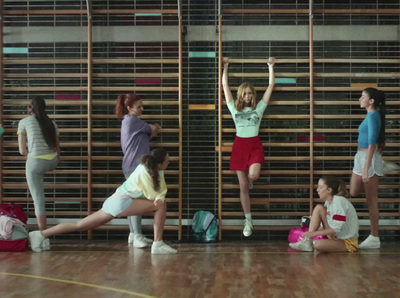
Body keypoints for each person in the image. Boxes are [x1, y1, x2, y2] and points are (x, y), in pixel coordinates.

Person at [29, 148, 177, 255]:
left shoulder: (156, 171)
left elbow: (160, 191)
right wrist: (159, 198)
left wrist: (159, 197)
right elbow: (154, 196)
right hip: (120, 202)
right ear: (159, 164)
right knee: (160, 206)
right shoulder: (144, 172)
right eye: (167, 161)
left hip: (114, 202)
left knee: (80, 225)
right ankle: (158, 243)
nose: (169, 163)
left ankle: (40, 234)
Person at [222, 56, 275, 237]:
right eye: (244, 94)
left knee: (253, 175)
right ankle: (248, 220)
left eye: (250, 93)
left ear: (253, 95)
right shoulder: (234, 109)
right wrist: (226, 66)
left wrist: (270, 67)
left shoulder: (258, 109)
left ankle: (252, 179)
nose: (247, 96)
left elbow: (270, 87)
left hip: (254, 146)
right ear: (240, 96)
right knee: (243, 187)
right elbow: (225, 87)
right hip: (239, 146)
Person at [115, 93, 161, 248]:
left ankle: (134, 233)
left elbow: (147, 135)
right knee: (136, 201)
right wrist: (154, 129)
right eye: (139, 106)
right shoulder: (133, 121)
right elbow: (153, 129)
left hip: (132, 165)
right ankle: (137, 235)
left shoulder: (129, 122)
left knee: (132, 199)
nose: (142, 108)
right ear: (129, 108)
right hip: (134, 166)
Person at [18, 97, 60, 240]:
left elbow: (22, 150)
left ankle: (43, 235)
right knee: (38, 169)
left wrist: (33, 157)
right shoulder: (51, 123)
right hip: (53, 161)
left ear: (30, 109)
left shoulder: (24, 122)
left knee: (38, 200)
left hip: (36, 162)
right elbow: (58, 149)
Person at [350, 88, 386, 249]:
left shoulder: (373, 116)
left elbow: (372, 143)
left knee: (371, 201)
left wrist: (366, 169)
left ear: (371, 101)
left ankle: (374, 237)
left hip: (367, 159)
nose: (360, 99)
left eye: (363, 97)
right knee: (353, 191)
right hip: (361, 157)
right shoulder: (371, 115)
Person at [289, 176, 359, 253]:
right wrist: (308, 235)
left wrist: (313, 233)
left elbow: (337, 228)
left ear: (329, 190)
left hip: (347, 241)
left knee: (318, 245)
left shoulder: (339, 202)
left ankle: (310, 242)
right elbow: (328, 224)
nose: (317, 190)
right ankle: (307, 242)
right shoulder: (328, 203)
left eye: (320, 187)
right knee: (319, 208)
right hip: (335, 236)